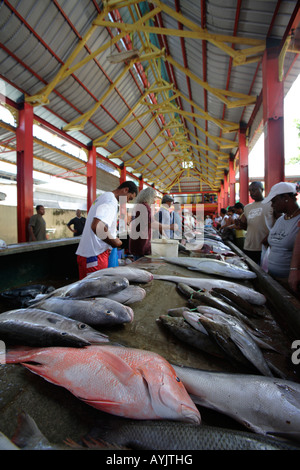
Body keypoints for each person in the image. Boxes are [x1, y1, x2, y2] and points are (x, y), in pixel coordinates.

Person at [76, 181, 138, 279]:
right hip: (95, 255)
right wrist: (114, 242)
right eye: (129, 198)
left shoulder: (103, 197)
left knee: (85, 291)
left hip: (88, 254)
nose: (128, 201)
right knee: (95, 291)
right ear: (126, 190)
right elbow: (97, 226)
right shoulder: (111, 201)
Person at [262, 181, 300, 294]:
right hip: (273, 278)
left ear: (286, 197)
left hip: (291, 282)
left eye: (274, 201)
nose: (272, 205)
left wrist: (294, 271)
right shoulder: (280, 220)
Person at [128, 187, 173, 260]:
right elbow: (150, 223)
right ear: (149, 196)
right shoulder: (145, 207)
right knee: (141, 266)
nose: (155, 200)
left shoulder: (139, 206)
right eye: (154, 197)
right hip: (141, 243)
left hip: (138, 242)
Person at [235, 181, 274, 264]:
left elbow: (279, 223)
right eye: (250, 191)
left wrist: (269, 236)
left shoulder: (271, 204)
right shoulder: (247, 207)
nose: (251, 193)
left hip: (264, 247)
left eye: (254, 190)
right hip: (248, 246)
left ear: (262, 189)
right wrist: (240, 224)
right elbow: (245, 226)